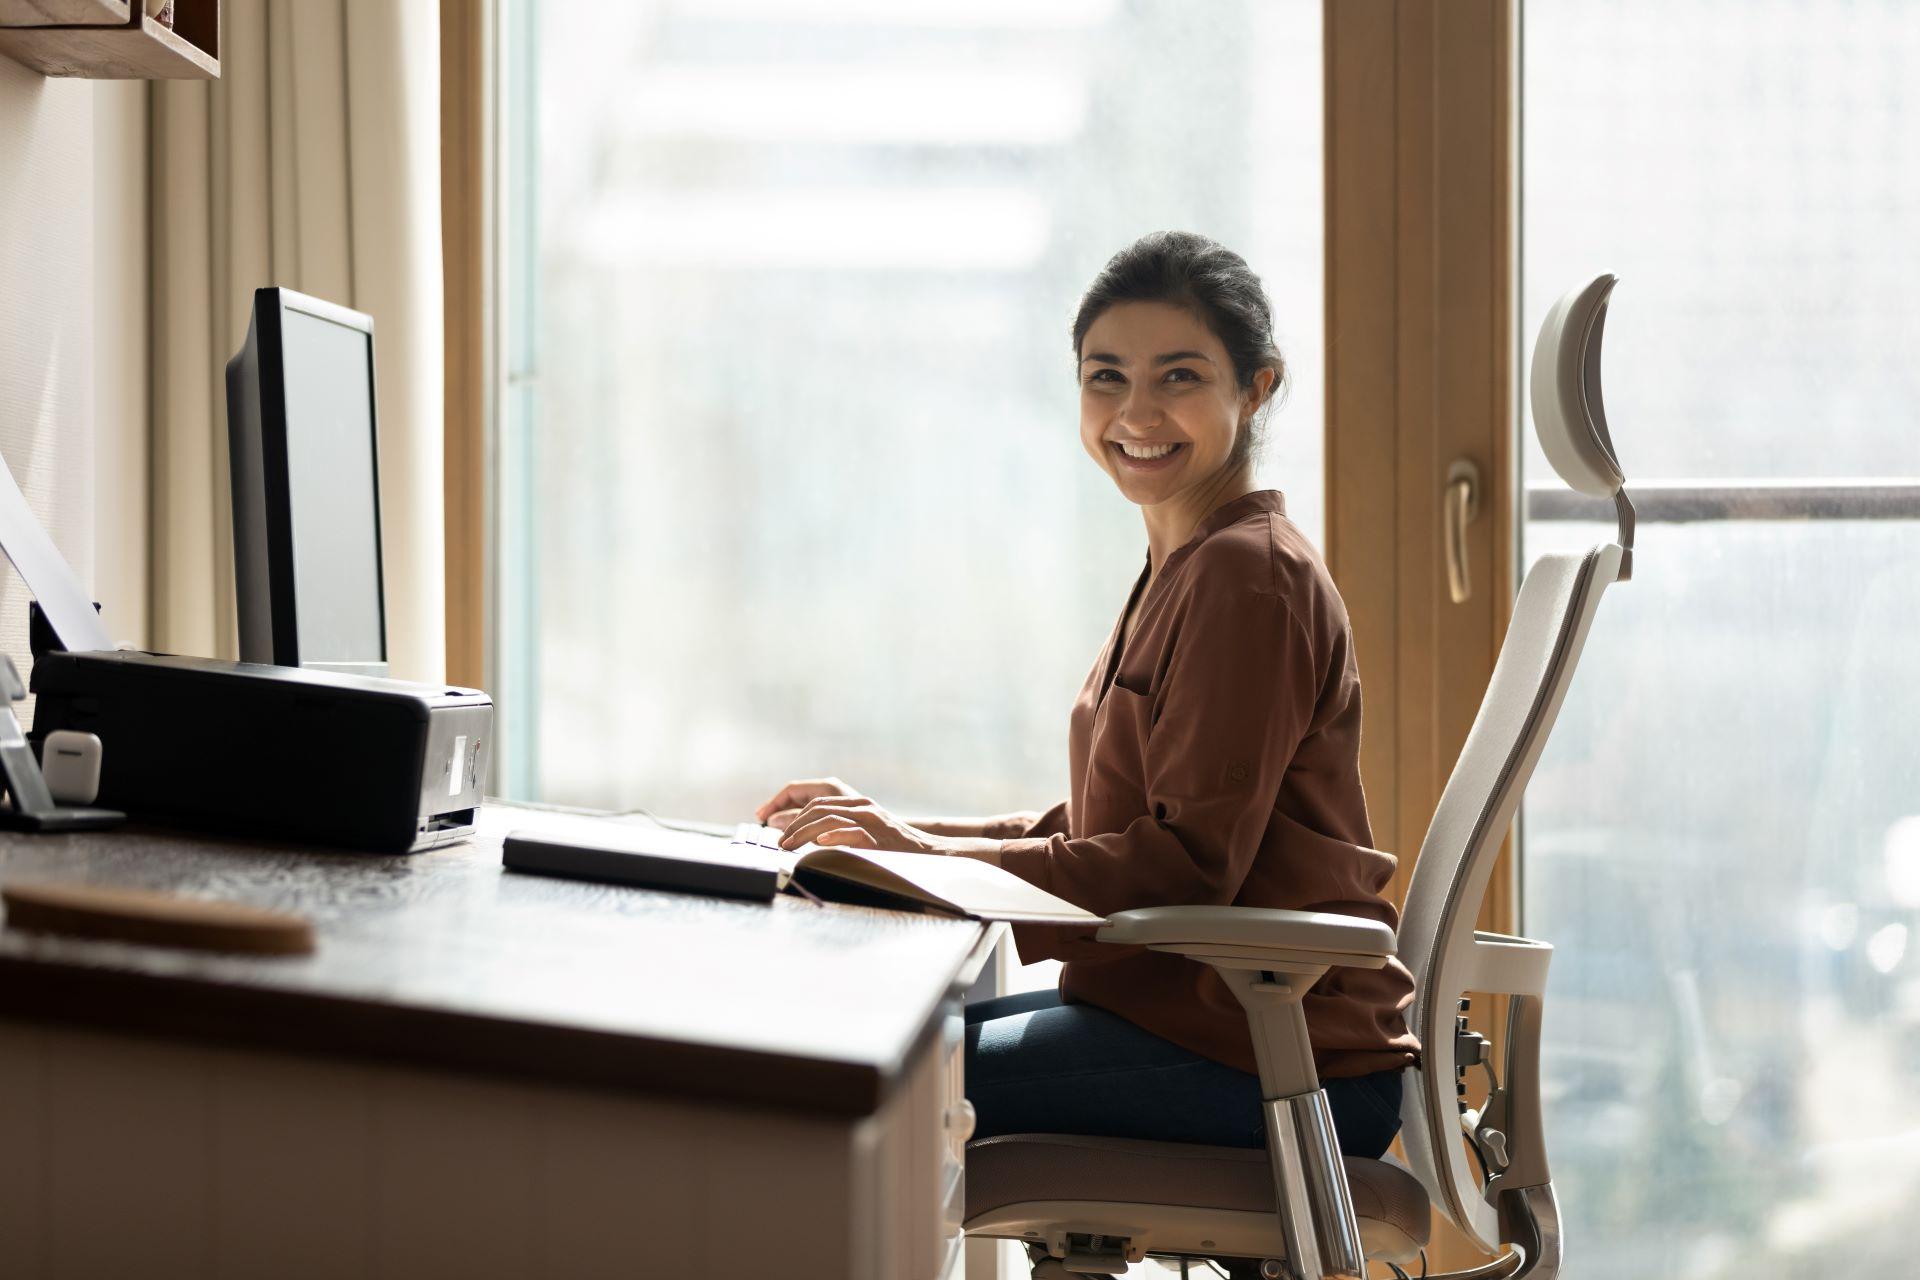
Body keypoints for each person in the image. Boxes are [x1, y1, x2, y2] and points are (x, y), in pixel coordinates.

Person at [755, 230, 1418, 1165]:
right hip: (1193, 1022)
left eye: (1179, 377)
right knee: (870, 1033)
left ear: (1256, 388)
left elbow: (1182, 866)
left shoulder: (1246, 579)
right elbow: (1107, 822)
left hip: (1266, 1054)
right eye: (1106, 378)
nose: (1136, 412)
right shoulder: (1186, 561)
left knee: (848, 1080)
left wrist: (916, 860)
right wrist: (907, 842)